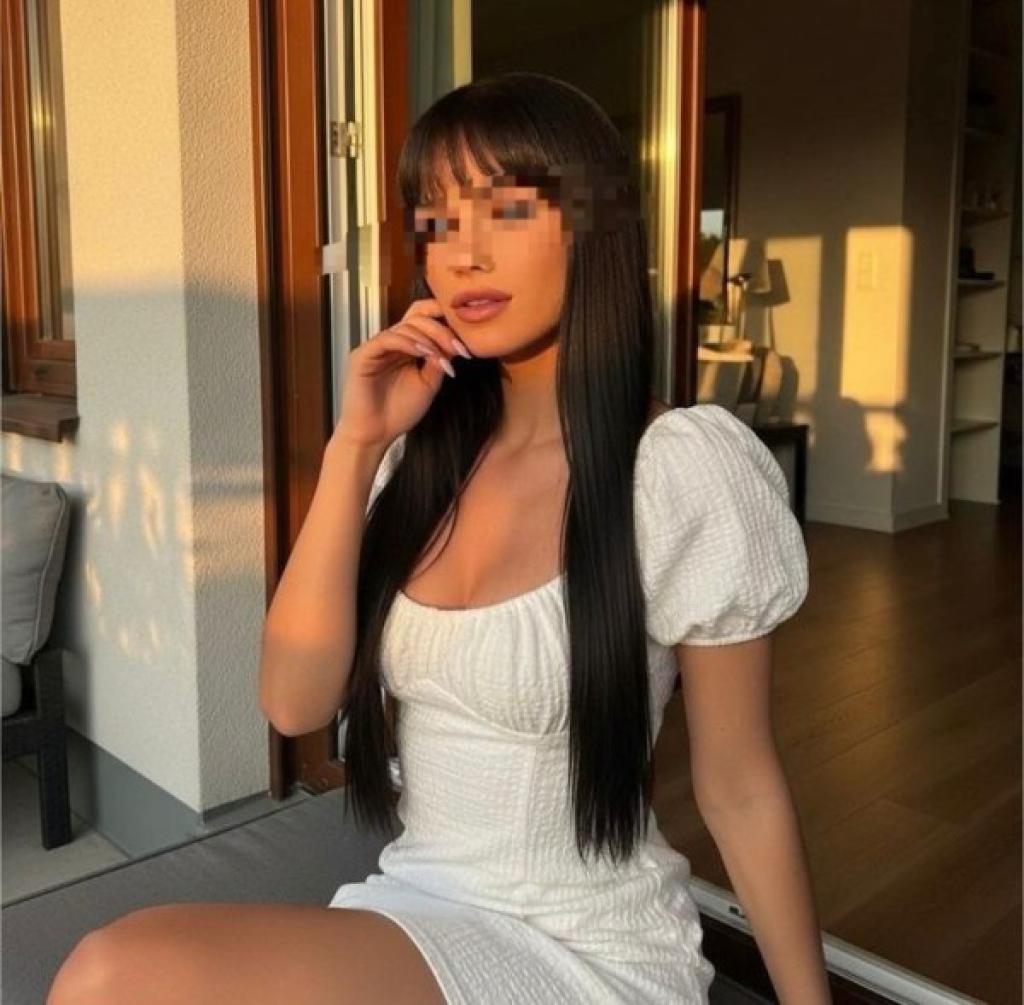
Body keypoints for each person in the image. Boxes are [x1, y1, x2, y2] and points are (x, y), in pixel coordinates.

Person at [47, 72, 828, 1005]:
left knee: (113, 974)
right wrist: (354, 445)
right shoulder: (415, 465)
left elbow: (741, 786)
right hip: (419, 903)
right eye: (437, 221)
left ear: (597, 225)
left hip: (587, 946)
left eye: (506, 209)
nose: (464, 255)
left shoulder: (678, 470)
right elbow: (293, 703)